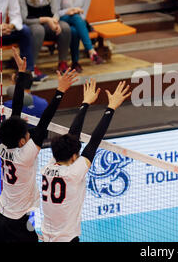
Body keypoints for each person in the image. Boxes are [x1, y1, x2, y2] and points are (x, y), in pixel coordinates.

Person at [0, 47, 78, 243]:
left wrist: (21, 74)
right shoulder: (25, 155)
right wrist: (60, 92)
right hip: (15, 225)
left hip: (0, 220)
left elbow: (16, 110)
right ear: (23, 141)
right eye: (27, 134)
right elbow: (44, 121)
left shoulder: (3, 146)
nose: (30, 134)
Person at [40, 80, 131, 242]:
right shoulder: (73, 173)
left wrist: (85, 103)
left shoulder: (48, 167)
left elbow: (73, 136)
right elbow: (94, 142)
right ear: (74, 157)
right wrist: (110, 108)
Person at [16, 0, 72, 77]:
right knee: (38, 30)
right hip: (29, 24)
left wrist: (54, 21)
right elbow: (24, 18)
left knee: (65, 27)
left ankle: (62, 62)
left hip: (48, 23)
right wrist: (47, 20)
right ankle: (32, 66)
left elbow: (55, 11)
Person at [55, 0, 104, 73]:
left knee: (74, 30)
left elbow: (83, 15)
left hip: (78, 22)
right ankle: (91, 51)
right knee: (76, 17)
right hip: (62, 20)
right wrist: (68, 11)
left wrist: (75, 14)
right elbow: (55, 13)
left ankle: (75, 63)